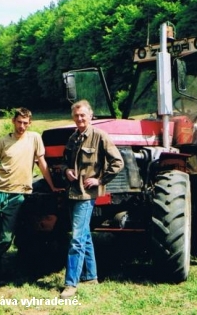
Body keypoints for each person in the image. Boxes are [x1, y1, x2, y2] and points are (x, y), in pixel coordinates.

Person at [0, 107, 58, 282]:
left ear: (30, 123)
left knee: (6, 237)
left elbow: (42, 164)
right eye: (19, 122)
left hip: (18, 195)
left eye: (26, 123)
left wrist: (53, 186)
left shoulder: (35, 139)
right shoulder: (2, 141)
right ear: (13, 121)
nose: (22, 126)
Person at [60, 100, 124, 299]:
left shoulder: (100, 136)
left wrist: (100, 180)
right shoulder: (73, 138)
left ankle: (71, 284)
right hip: (73, 192)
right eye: (77, 115)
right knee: (84, 235)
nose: (80, 118)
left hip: (86, 196)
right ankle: (91, 276)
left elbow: (118, 162)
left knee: (76, 239)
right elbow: (65, 162)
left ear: (91, 116)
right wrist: (66, 170)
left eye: (83, 115)